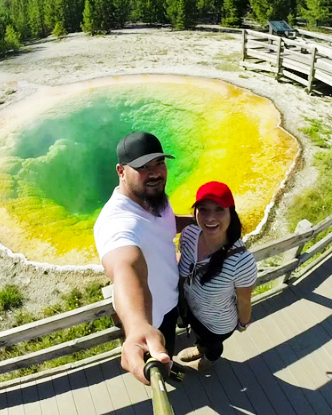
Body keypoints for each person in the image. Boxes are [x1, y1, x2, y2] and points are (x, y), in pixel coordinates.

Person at [94, 131, 194, 384]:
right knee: (162, 353)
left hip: (171, 298)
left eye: (159, 163)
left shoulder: (153, 199)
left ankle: (168, 368)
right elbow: (125, 263)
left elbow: (167, 226)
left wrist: (200, 222)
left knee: (169, 344)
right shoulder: (117, 222)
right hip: (153, 318)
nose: (155, 173)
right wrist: (138, 325)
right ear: (121, 171)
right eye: (142, 167)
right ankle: (167, 372)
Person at [176, 181, 258, 371]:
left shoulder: (241, 261)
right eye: (203, 209)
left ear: (231, 213)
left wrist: (243, 324)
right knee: (199, 335)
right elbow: (183, 259)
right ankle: (199, 347)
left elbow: (244, 300)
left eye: (219, 209)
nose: (210, 217)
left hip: (218, 323)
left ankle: (209, 359)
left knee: (213, 344)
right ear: (195, 212)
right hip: (192, 309)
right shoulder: (189, 234)